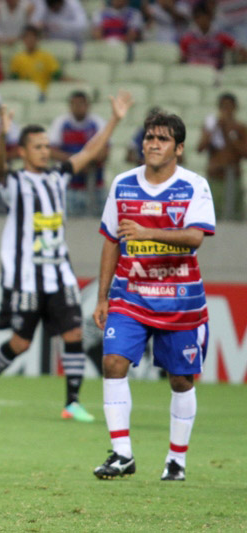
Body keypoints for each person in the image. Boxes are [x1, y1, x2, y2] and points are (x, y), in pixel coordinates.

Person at [0, 90, 133, 421]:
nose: (45, 152)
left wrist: (114, 119)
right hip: (27, 277)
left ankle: (72, 401)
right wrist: (2, 133)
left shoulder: (58, 178)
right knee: (21, 343)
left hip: (60, 272)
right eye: (38, 147)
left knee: (73, 334)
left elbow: (89, 152)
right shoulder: (14, 182)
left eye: (47, 146)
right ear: (24, 151)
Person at [92, 110, 215, 482]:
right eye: (149, 137)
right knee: (113, 362)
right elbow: (111, 241)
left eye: (162, 139)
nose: (153, 144)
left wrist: (146, 232)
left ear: (178, 148)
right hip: (131, 294)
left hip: (180, 301)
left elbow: (195, 237)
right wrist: (102, 297)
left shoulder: (195, 185)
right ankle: (121, 454)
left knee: (181, 380)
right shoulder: (123, 184)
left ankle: (176, 460)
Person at [48, 91, 107, 216]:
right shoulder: (61, 123)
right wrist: (78, 162)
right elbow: (51, 152)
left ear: (88, 105)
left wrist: (85, 162)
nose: (78, 107)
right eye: (75, 104)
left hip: (94, 185)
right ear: (70, 106)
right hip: (69, 186)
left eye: (81, 104)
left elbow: (104, 152)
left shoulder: (97, 123)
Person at [197, 93, 247, 219]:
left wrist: (229, 134)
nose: (227, 111)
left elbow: (244, 152)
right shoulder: (212, 126)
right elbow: (200, 148)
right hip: (215, 177)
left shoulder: (240, 128)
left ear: (235, 108)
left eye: (229, 107)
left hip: (233, 178)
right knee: (212, 215)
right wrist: (213, 130)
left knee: (234, 218)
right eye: (223, 107)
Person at [179, 4, 247, 69]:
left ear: (210, 17)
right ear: (194, 19)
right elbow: (182, 58)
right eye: (198, 17)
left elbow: (240, 49)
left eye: (203, 16)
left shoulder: (220, 36)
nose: (201, 20)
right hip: (194, 72)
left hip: (214, 73)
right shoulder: (187, 38)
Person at [9, 25, 61, 94]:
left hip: (42, 94)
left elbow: (57, 76)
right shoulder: (17, 58)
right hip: (23, 94)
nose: (30, 40)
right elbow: (14, 80)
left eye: (32, 37)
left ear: (37, 39)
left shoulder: (46, 57)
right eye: (27, 37)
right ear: (23, 39)